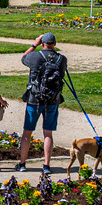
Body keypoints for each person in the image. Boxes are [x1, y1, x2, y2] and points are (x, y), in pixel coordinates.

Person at [17, 32, 67, 175]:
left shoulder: (35, 56)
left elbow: (23, 58)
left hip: (35, 98)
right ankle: (46, 165)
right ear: (55, 44)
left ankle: (22, 163)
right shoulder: (61, 59)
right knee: (48, 133)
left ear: (42, 43)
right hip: (53, 99)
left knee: (27, 132)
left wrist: (34, 44)